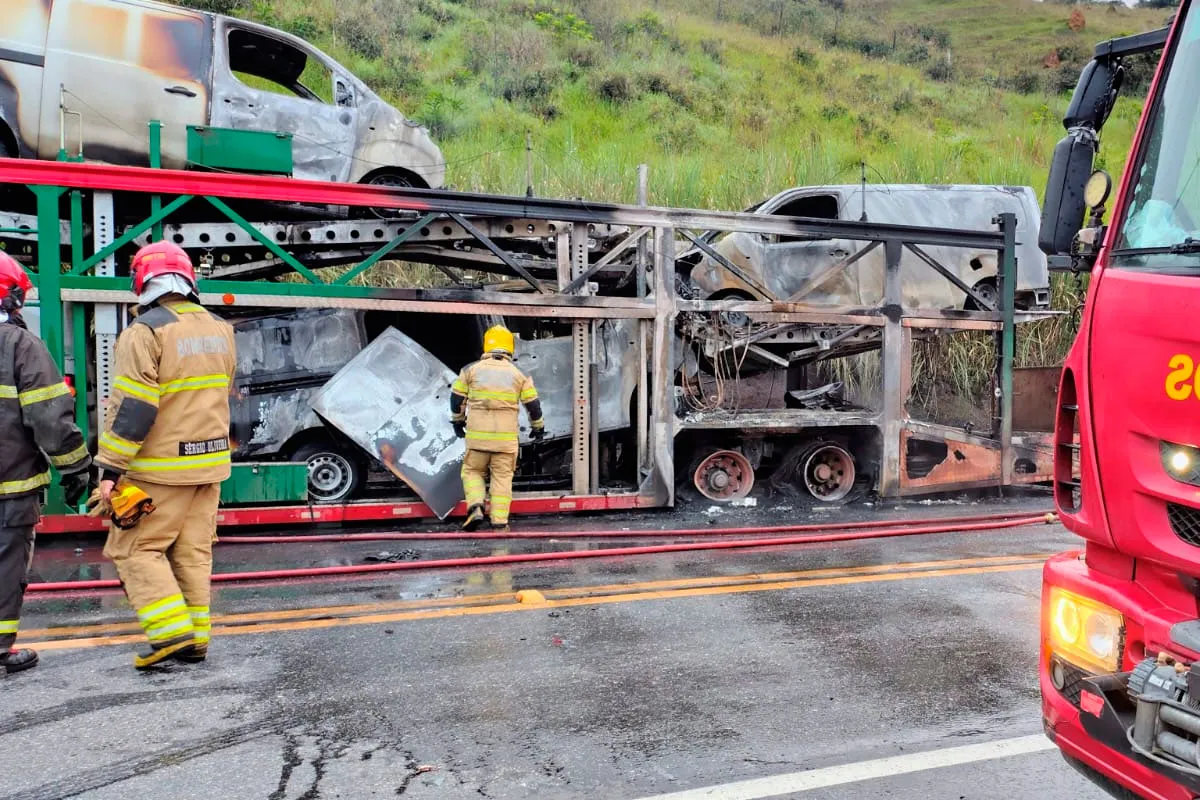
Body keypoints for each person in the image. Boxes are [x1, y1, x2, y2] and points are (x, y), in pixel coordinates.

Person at [95, 241, 235, 669]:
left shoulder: (146, 332)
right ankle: (195, 640)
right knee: (192, 554)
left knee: (134, 550)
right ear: (188, 279)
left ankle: (169, 635)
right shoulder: (220, 329)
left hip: (159, 470)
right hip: (209, 466)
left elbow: (134, 407)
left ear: (142, 281)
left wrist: (109, 469)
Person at [0, 253, 90, 675]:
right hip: (9, 485)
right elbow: (49, 418)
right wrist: (76, 469)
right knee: (5, 563)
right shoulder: (20, 345)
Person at [450, 325, 545, 532]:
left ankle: (475, 505)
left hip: (477, 439)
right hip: (505, 442)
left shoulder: (471, 371)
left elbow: (456, 399)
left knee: (473, 471)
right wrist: (538, 428)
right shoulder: (519, 375)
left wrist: (458, 422)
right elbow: (533, 406)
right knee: (502, 479)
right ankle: (499, 522)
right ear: (509, 347)